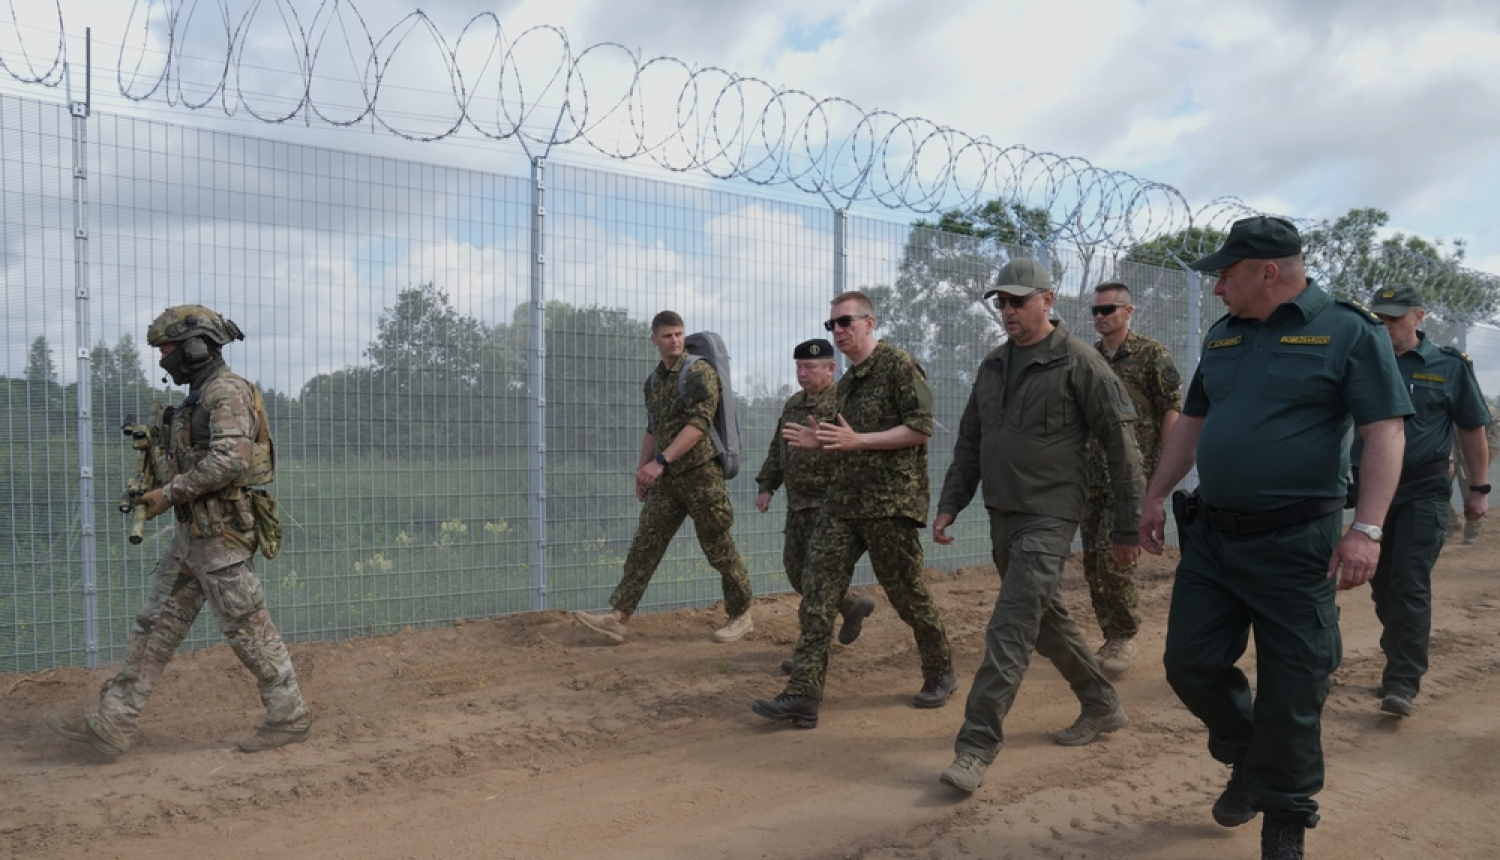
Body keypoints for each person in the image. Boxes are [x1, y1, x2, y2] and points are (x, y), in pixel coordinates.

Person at [1138, 217, 1411, 860]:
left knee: (1293, 689)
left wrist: (1366, 529)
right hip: (1212, 538)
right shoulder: (1224, 335)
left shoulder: (1349, 329)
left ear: (1268, 273)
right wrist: (1154, 494)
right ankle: (1248, 759)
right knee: (1190, 664)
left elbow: (1385, 432)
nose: (1215, 290)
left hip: (1298, 546)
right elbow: (1192, 423)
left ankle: (1285, 819)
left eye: (1225, 275)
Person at [48, 305, 313, 755]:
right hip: (194, 538)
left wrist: (168, 495)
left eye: (167, 348)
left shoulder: (225, 392)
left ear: (195, 346)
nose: (163, 356)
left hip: (222, 539)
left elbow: (231, 461)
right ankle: (115, 720)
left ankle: (289, 716)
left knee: (249, 630)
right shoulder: (199, 395)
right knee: (155, 625)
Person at [933, 259, 1147, 795]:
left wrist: (1127, 529)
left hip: (1051, 518)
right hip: (1002, 515)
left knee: (1009, 629)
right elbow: (970, 442)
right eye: (1001, 302)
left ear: (1047, 300)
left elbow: (1124, 451)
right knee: (1047, 622)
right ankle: (1101, 705)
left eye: (1018, 300)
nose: (1007, 310)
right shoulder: (992, 367)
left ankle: (976, 746)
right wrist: (951, 502)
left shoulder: (1081, 364)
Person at [750, 291, 954, 728]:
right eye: (833, 325)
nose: (838, 331)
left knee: (907, 595)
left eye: (845, 322)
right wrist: (819, 442)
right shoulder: (848, 384)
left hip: (889, 505)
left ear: (869, 323)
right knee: (817, 591)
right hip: (842, 505)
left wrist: (859, 440)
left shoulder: (900, 366)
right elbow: (845, 442)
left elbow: (920, 429)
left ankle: (940, 670)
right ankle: (803, 694)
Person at [574, 311, 755, 644]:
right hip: (668, 479)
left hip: (701, 476)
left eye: (679, 334)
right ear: (654, 339)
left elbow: (699, 425)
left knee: (718, 546)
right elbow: (652, 429)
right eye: (668, 335)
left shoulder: (700, 372)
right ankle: (619, 617)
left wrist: (660, 461)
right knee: (645, 544)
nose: (675, 340)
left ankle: (741, 614)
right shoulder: (654, 381)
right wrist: (642, 471)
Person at [1357, 284, 1490, 717]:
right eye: (1379, 317)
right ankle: (1400, 651)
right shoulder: (1361, 361)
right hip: (1373, 494)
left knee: (1409, 580)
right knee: (1381, 584)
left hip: (1424, 490)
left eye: (1395, 317)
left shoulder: (1447, 367)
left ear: (1419, 316)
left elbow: (1472, 429)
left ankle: (1402, 680)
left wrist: (1479, 490)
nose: (1386, 325)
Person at [754, 338, 877, 674]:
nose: (803, 374)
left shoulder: (843, 402)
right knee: (797, 572)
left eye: (810, 367)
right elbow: (778, 449)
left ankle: (807, 657)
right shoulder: (794, 404)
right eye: (799, 367)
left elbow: (859, 450)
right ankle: (852, 605)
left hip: (830, 506)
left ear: (830, 368)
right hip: (798, 506)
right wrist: (767, 486)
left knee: (816, 583)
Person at [1080, 281, 1182, 676]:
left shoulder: (1151, 355)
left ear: (1129, 311)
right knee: (1092, 560)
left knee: (1115, 555)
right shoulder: (1087, 358)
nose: (1101, 317)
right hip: (1091, 475)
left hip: (1133, 476)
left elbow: (1171, 411)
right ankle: (1110, 635)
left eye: (1109, 309)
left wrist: (1165, 474)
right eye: (1096, 311)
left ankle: (1124, 635)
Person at [1448, 415, 1498, 543]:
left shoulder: (1472, 404)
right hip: (1455, 444)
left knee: (1471, 484)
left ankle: (1472, 530)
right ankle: (1451, 522)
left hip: (1477, 442)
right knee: (1439, 485)